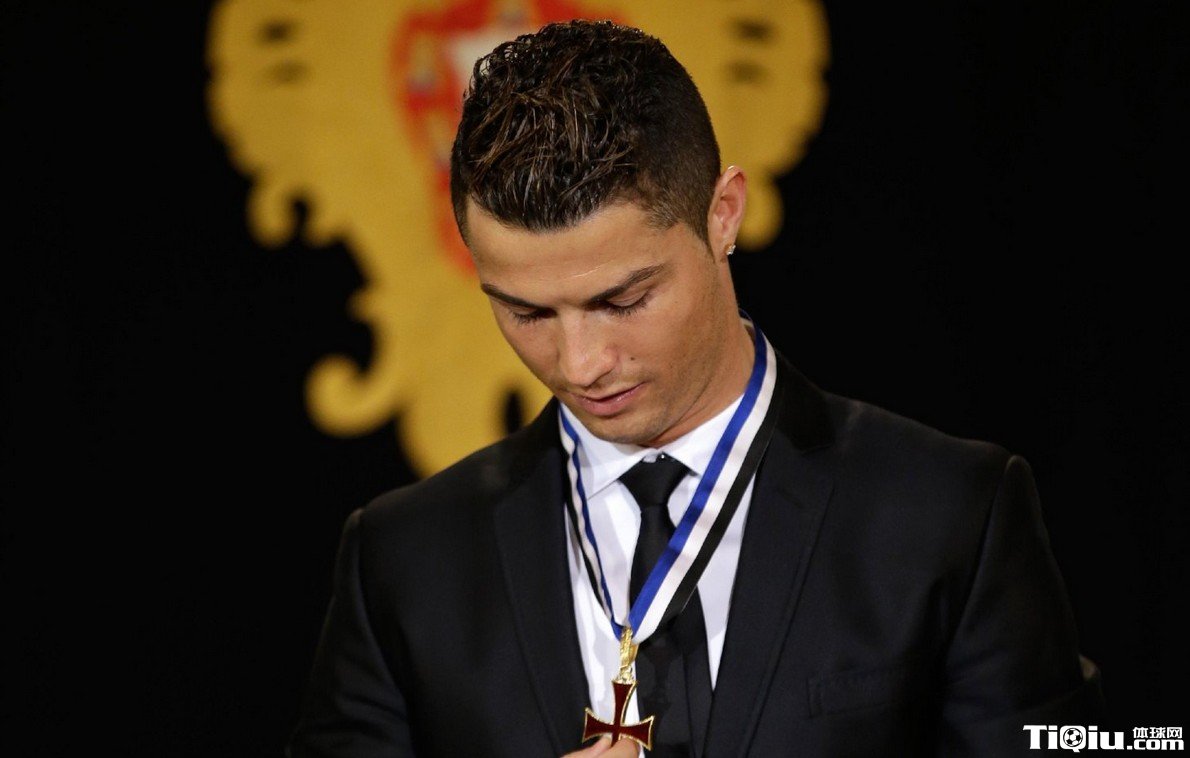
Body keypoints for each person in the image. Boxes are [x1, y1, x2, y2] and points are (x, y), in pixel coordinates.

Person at [288, 20, 1102, 758]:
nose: (580, 363)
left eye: (623, 300)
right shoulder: (405, 560)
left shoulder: (948, 515)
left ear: (723, 214)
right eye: (526, 312)